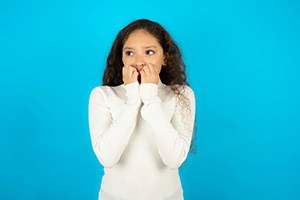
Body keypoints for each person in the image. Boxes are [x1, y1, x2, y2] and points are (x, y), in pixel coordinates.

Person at [88, 19, 196, 200]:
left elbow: (174, 159)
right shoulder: (103, 95)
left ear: (165, 57)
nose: (139, 61)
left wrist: (150, 97)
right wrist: (132, 99)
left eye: (149, 52)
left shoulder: (181, 95)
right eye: (130, 53)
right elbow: (107, 158)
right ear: (121, 58)